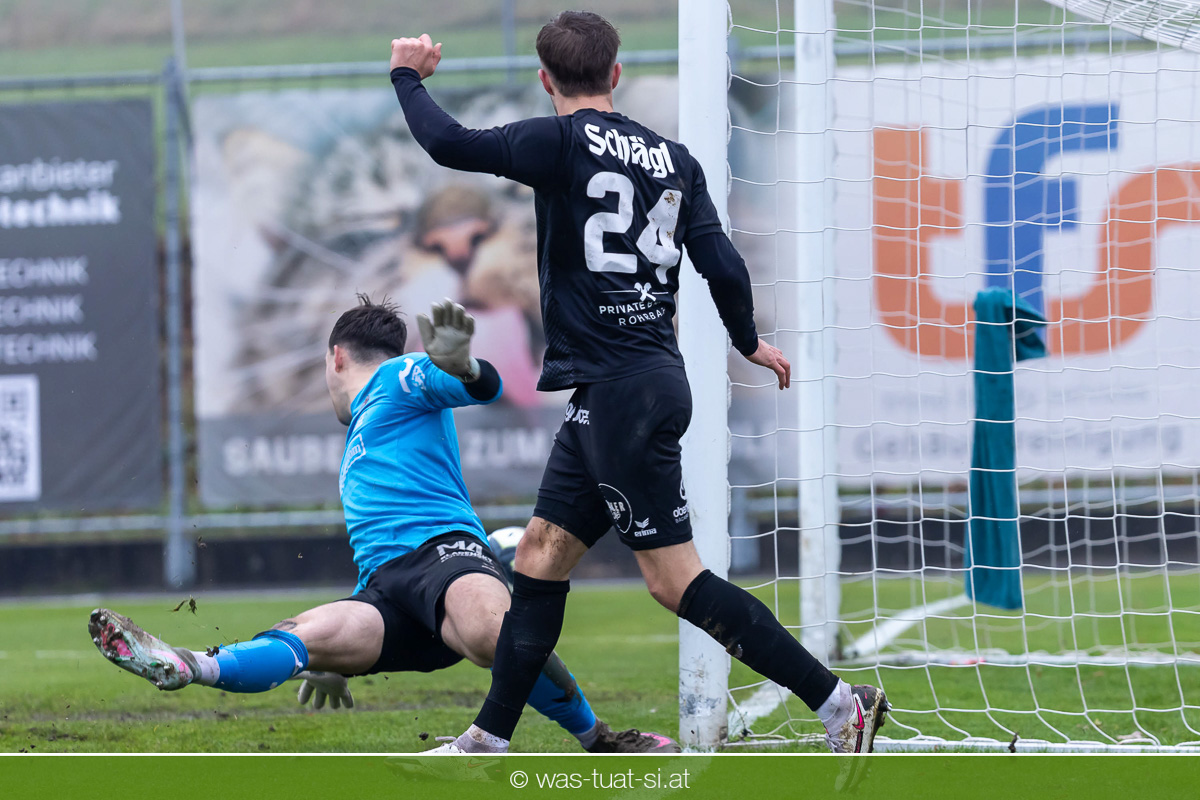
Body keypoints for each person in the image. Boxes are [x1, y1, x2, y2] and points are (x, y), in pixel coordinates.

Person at [388, 11, 890, 755]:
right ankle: (487, 742)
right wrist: (747, 340)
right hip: (632, 383)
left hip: (621, 392)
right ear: (615, 74)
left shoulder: (558, 141)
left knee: (674, 581)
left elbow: (448, 143)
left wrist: (407, 75)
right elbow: (723, 266)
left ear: (546, 78)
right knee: (537, 556)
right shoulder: (674, 160)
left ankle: (841, 702)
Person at [88, 295, 678, 754]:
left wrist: (466, 366)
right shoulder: (364, 428)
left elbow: (479, 385)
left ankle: (598, 738)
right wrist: (336, 660)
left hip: (444, 557)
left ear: (335, 357)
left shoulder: (397, 375)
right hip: (387, 592)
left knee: (493, 634)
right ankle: (187, 665)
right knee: (305, 637)